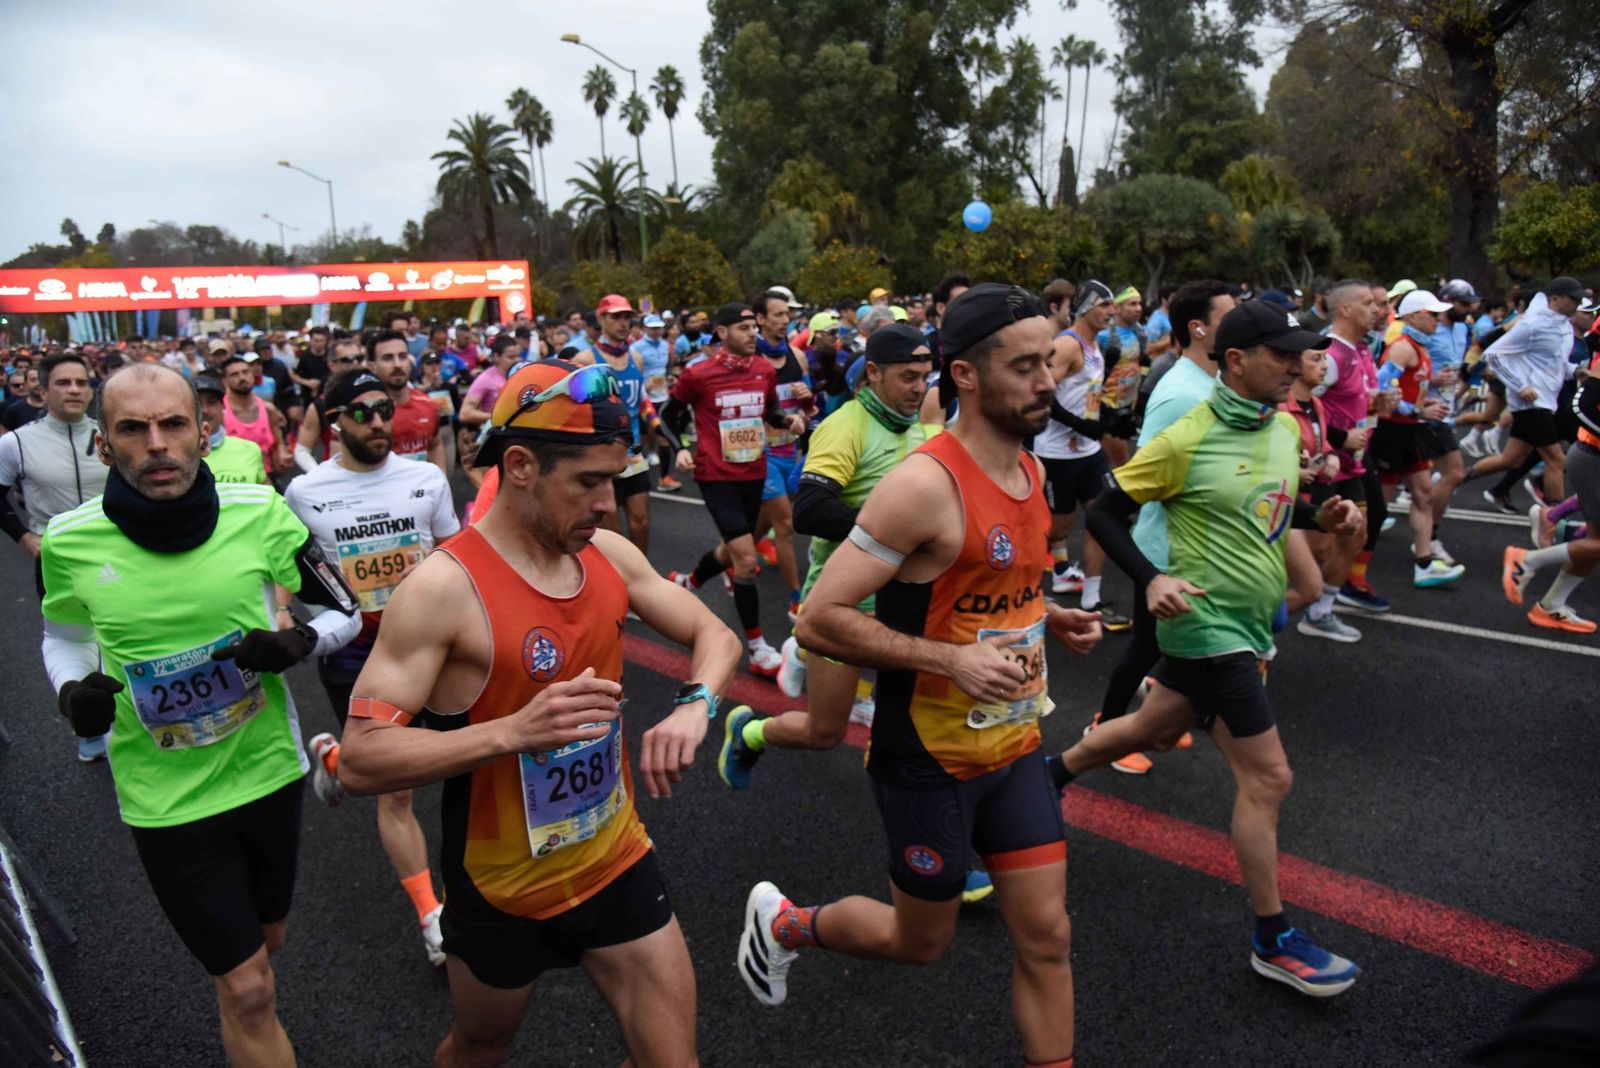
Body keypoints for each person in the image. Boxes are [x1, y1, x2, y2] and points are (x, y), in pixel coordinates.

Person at [336, 359, 741, 1067]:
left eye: (613, 480)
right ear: (519, 465)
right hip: (501, 888)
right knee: (480, 1044)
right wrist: (513, 732)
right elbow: (364, 757)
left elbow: (716, 635)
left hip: (614, 857)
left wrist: (695, 706)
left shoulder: (609, 557)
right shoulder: (442, 590)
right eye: (588, 482)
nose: (608, 504)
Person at [739, 284, 1103, 1068]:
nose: (1049, 380)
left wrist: (1049, 618)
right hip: (927, 759)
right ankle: (785, 925)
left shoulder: (1033, 474)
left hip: (1011, 748)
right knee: (920, 941)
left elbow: (997, 594)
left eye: (1051, 360)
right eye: (1026, 365)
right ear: (965, 376)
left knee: (1048, 936)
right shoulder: (923, 485)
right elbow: (818, 619)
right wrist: (949, 659)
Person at [39, 363, 359, 1067]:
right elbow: (61, 637)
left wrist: (300, 639)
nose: (156, 444)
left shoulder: (261, 513)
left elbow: (345, 607)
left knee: (261, 952)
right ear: (103, 445)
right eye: (133, 429)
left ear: (201, 432)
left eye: (172, 424)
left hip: (268, 770)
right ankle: (241, 1002)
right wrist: (71, 691)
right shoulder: (68, 540)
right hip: (166, 798)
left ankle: (237, 996)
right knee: (249, 987)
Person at [1049, 300, 1363, 998]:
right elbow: (1105, 510)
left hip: (1250, 624)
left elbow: (1273, 506)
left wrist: (1323, 512)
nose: (1295, 367)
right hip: (1205, 623)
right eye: (1281, 355)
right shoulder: (1188, 436)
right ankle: (1272, 937)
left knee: (1150, 726)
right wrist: (1152, 578)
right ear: (1235, 361)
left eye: (1298, 354)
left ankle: (1042, 780)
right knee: (1269, 778)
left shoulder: (1280, 429)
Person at [283, 368, 461, 965]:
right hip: (358, 653)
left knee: (465, 764)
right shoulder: (306, 493)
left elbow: (454, 554)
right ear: (334, 422)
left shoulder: (427, 477)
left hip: (432, 645)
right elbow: (296, 579)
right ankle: (432, 915)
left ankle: (334, 756)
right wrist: (287, 618)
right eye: (362, 412)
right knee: (396, 789)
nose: (379, 422)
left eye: (385, 409)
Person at [724, 323, 938, 781]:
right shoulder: (846, 427)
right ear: (874, 374)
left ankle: (811, 659)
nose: (920, 388)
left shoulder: (916, 427)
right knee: (825, 732)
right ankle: (751, 731)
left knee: (910, 720)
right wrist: (896, 531)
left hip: (904, 601)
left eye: (925, 377)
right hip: (844, 606)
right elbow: (810, 512)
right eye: (908, 378)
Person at [1073, 280, 1236, 774]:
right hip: (1167, 550)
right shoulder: (1181, 392)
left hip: (1195, 548)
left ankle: (1150, 715)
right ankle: (1106, 732)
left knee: (1158, 647)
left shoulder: (1211, 383)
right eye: (1230, 315)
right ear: (1199, 327)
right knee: (1145, 647)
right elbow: (1145, 478)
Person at [663, 303, 808, 677]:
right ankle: (759, 649)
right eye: (743, 328)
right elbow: (669, 415)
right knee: (746, 561)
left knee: (733, 547)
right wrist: (679, 447)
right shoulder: (699, 374)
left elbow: (770, 412)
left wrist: (787, 420)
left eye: (752, 328)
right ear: (722, 333)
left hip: (754, 471)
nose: (752, 334)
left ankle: (688, 582)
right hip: (716, 475)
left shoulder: (762, 370)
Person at [0, 353, 111, 760]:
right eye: (63, 383)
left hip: (115, 554)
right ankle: (90, 728)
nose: (74, 390)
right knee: (72, 640)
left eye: (82, 382)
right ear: (42, 391)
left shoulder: (109, 434)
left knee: (118, 634)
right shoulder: (16, 442)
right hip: (56, 558)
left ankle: (133, 715)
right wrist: (24, 537)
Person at [1034, 279, 1131, 631]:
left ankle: (1092, 598)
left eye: (1112, 306)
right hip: (1057, 453)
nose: (1111, 312)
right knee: (1057, 527)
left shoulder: (1095, 346)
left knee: (1103, 517)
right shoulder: (1067, 345)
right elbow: (1044, 393)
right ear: (1086, 305)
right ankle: (1014, 576)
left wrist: (1109, 421)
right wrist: (1078, 424)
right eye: (1105, 305)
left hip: (1088, 452)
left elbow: (1089, 396)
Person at [1501, 336, 1600, 634]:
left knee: (1594, 546)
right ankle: (1526, 561)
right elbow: (1580, 405)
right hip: (1592, 456)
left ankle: (1551, 606)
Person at [1369, 290, 1467, 587]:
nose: (1438, 320)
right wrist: (1418, 410)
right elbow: (1380, 388)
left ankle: (1424, 564)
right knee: (1377, 505)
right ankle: (1344, 559)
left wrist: (1420, 412)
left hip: (1412, 430)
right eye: (1432, 314)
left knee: (1423, 494)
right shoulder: (1402, 348)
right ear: (1412, 316)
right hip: (1392, 431)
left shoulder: (1420, 347)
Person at [1466, 277, 1585, 506]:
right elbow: (1494, 355)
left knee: (1511, 459)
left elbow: (1553, 364)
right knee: (1556, 459)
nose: (1577, 304)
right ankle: (1553, 520)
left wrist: (1575, 372)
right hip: (1531, 403)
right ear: (1555, 299)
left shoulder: (1564, 327)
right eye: (1574, 298)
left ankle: (1456, 479)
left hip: (1546, 401)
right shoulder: (1533, 324)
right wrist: (1520, 386)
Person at [1319, 281, 1392, 612]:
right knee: (1318, 544)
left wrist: (1380, 407)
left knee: (1359, 530)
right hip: (1328, 463)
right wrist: (1339, 438)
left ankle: (1322, 607)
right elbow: (1298, 407)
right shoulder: (1331, 354)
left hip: (1356, 460)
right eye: (1367, 303)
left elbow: (1360, 400)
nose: (1376, 309)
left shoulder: (1362, 349)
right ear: (1345, 309)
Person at [573, 294, 659, 552]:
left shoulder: (637, 359)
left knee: (641, 524)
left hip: (632, 455)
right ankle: (615, 584)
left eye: (627, 317)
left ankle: (638, 580)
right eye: (615, 317)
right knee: (611, 535)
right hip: (601, 457)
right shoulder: (586, 360)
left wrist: (658, 427)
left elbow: (641, 401)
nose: (623, 323)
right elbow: (578, 408)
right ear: (601, 319)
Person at [752, 291, 816, 619]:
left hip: (789, 451)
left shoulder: (797, 357)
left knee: (772, 517)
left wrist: (806, 401)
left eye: (786, 315)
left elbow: (811, 409)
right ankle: (796, 599)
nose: (783, 320)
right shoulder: (750, 360)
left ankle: (738, 554)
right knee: (786, 525)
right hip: (759, 453)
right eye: (776, 314)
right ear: (760, 319)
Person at [1094, 286, 1147, 467]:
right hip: (1107, 410)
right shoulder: (1103, 336)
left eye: (1139, 303)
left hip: (1127, 408)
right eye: (1132, 304)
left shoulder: (1139, 332)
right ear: (1117, 308)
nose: (1138, 308)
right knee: (1123, 464)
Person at [220, 355, 290, 475]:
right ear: (225, 381)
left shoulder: (268, 409)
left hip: (267, 477)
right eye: (234, 374)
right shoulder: (220, 413)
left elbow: (278, 443)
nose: (242, 378)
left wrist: (282, 454)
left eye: (245, 372)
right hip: (235, 481)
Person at [195, 374, 269, 485]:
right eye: (198, 404)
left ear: (223, 406)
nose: (205, 410)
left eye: (211, 402)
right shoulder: (177, 456)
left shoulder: (250, 450)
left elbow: (267, 496)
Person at [2, 365, 46, 430]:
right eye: (33, 380)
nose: (38, 383)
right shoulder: (14, 410)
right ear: (25, 383)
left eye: (41, 379)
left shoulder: (56, 408)